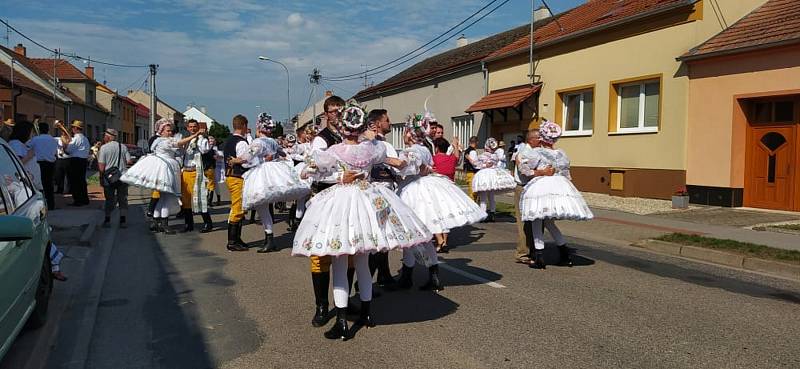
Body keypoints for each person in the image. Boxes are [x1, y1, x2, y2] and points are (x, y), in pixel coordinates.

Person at [292, 104, 431, 341]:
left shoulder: (335, 150)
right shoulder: (373, 149)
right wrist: (414, 159)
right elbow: (400, 162)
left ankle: (342, 322)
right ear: (361, 126)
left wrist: (334, 176)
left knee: (339, 263)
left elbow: (306, 172)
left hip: (342, 204)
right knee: (363, 263)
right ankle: (367, 314)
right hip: (368, 200)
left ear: (343, 126)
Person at [395, 112, 485, 291]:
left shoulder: (412, 150)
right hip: (422, 188)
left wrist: (387, 162)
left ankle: (408, 276)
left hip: (413, 192)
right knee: (423, 237)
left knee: (411, 234)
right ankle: (430, 276)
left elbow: (406, 167)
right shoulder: (425, 147)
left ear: (412, 133)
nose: (404, 134)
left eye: (406, 131)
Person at [518, 120, 593, 269]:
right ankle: (565, 254)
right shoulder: (561, 154)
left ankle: (539, 257)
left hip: (541, 186)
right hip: (558, 185)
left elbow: (525, 170)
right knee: (550, 223)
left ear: (542, 137)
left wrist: (521, 162)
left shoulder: (536, 152)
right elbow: (566, 174)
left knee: (536, 221)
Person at [305, 95, 347, 329]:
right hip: (325, 197)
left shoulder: (350, 136)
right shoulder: (321, 140)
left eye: (340, 111)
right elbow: (316, 171)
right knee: (321, 253)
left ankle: (343, 302)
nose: (337, 114)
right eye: (333, 111)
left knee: (348, 251)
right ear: (326, 114)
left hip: (347, 198)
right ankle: (321, 306)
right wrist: (340, 176)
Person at [241, 113, 309, 253]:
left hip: (262, 174)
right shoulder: (273, 141)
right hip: (272, 172)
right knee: (264, 207)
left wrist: (235, 160)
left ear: (259, 126)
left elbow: (247, 157)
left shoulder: (257, 142)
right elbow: (283, 154)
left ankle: (270, 238)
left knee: (262, 207)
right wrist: (287, 162)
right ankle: (269, 239)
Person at [122, 118, 202, 234]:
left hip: (163, 167)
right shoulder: (163, 141)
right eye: (168, 131)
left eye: (170, 131)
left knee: (162, 198)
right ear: (162, 131)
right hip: (164, 169)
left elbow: (180, 148)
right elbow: (178, 143)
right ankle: (164, 224)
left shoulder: (160, 141)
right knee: (167, 198)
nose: (170, 133)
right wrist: (194, 136)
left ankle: (156, 222)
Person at [512, 130, 553, 266]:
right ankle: (523, 253)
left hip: (536, 187)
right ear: (530, 139)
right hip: (523, 187)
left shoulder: (540, 151)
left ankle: (536, 250)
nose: (540, 140)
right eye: (538, 138)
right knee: (524, 222)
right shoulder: (523, 151)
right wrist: (542, 172)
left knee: (538, 219)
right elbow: (524, 171)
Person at [178, 119, 213, 233]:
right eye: (190, 127)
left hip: (195, 171)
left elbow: (205, 150)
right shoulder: (186, 139)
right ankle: (189, 224)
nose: (192, 128)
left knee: (199, 198)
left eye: (194, 127)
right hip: (185, 171)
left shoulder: (201, 139)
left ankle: (208, 223)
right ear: (187, 128)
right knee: (186, 199)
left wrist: (199, 137)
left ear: (198, 128)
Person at [223, 115, 252, 251]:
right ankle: (232, 241)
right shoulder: (241, 142)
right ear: (244, 125)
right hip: (237, 176)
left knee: (239, 207)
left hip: (230, 176)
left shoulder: (229, 140)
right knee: (238, 207)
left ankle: (237, 239)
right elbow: (244, 161)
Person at [471, 138, 516, 222]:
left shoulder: (483, 155)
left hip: (485, 176)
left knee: (483, 196)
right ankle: (492, 213)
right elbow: (496, 163)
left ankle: (483, 215)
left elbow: (476, 164)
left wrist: (484, 165)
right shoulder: (495, 156)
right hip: (493, 176)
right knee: (491, 196)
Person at [97, 129, 132, 228]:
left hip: (109, 178)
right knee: (123, 199)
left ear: (108, 137)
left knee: (109, 200)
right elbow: (129, 161)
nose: (104, 137)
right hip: (122, 177)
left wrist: (100, 178)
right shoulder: (123, 146)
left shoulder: (104, 148)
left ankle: (107, 220)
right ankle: (123, 221)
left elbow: (101, 167)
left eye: (105, 136)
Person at [55, 120, 91, 206]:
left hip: (76, 161)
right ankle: (85, 199)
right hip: (83, 161)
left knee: (75, 182)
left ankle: (78, 200)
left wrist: (64, 143)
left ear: (75, 128)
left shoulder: (77, 138)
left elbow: (68, 150)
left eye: (72, 127)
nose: (71, 129)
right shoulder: (85, 138)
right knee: (81, 181)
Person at [29, 121, 58, 210]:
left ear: (39, 129)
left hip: (39, 163)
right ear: (48, 130)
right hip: (51, 164)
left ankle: (40, 205)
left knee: (39, 185)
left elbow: (29, 147)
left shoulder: (35, 139)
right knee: (49, 184)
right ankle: (51, 204)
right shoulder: (53, 139)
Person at [8, 120, 42, 190]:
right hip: (25, 186)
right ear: (25, 131)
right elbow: (16, 164)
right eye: (32, 132)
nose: (33, 134)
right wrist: (30, 154)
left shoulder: (21, 144)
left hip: (31, 184)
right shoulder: (15, 144)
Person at [463, 136, 480, 201]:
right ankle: (473, 207)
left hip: (468, 172)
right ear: (476, 142)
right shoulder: (473, 151)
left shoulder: (467, 151)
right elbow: (475, 164)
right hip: (472, 172)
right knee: (473, 192)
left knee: (471, 190)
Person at [203, 135, 218, 206]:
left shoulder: (202, 149)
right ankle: (209, 201)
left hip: (203, 168)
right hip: (210, 168)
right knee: (211, 185)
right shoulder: (212, 150)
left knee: (205, 185)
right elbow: (215, 158)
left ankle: (205, 200)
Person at [211, 136, 225, 206]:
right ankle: (209, 199)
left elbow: (222, 157)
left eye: (212, 139)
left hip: (217, 168)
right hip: (208, 168)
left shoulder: (218, 149)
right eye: (209, 139)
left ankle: (218, 199)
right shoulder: (205, 148)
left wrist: (216, 157)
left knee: (215, 184)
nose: (211, 141)